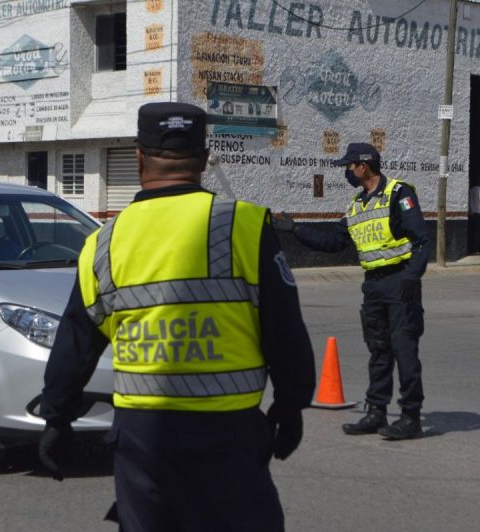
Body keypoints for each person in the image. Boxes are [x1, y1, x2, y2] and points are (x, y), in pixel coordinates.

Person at [39, 102, 316, 531]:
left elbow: (76, 340)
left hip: (143, 439)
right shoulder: (245, 225)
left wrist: (57, 418)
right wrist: (291, 404)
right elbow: (284, 327)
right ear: (205, 159)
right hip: (231, 433)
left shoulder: (102, 243)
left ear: (138, 158)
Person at [273, 143, 429, 440]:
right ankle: (376, 411)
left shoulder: (399, 194)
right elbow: (333, 243)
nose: (347, 171)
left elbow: (421, 239)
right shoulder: (357, 204)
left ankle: (411, 416)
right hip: (373, 285)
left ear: (363, 166)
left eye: (349, 166)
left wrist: (413, 275)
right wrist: (295, 230)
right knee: (379, 350)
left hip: (400, 283)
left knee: (404, 349)